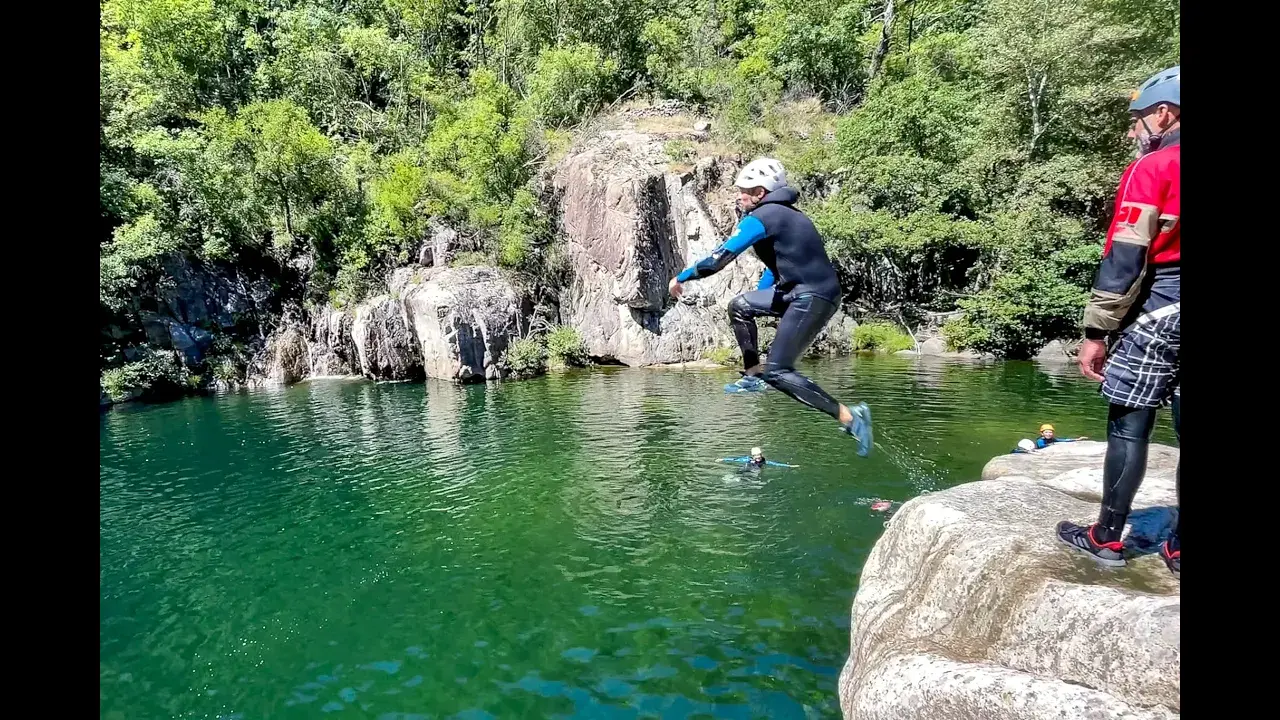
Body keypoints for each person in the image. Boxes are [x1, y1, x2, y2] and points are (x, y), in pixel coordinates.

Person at [1056, 66, 1180, 578]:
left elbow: (1125, 257)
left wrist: (1095, 333)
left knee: (1130, 427)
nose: (1133, 132)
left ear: (1164, 113)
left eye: (1137, 120)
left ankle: (1106, 536)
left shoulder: (1153, 168)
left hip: (1163, 308)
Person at [668, 158, 874, 456]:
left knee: (778, 371)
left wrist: (682, 277)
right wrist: (758, 301)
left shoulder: (765, 216)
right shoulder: (786, 215)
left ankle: (851, 417)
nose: (738, 196)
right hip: (798, 292)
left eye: (744, 191)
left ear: (761, 192)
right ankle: (752, 376)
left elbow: (719, 259)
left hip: (811, 297)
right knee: (740, 305)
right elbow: (778, 265)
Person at [717, 446, 797, 469]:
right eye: (756, 455)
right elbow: (735, 459)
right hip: (746, 470)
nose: (758, 457)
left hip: (754, 472)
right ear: (752, 456)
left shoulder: (763, 461)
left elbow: (776, 464)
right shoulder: (747, 459)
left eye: (759, 455)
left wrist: (789, 466)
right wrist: (723, 459)